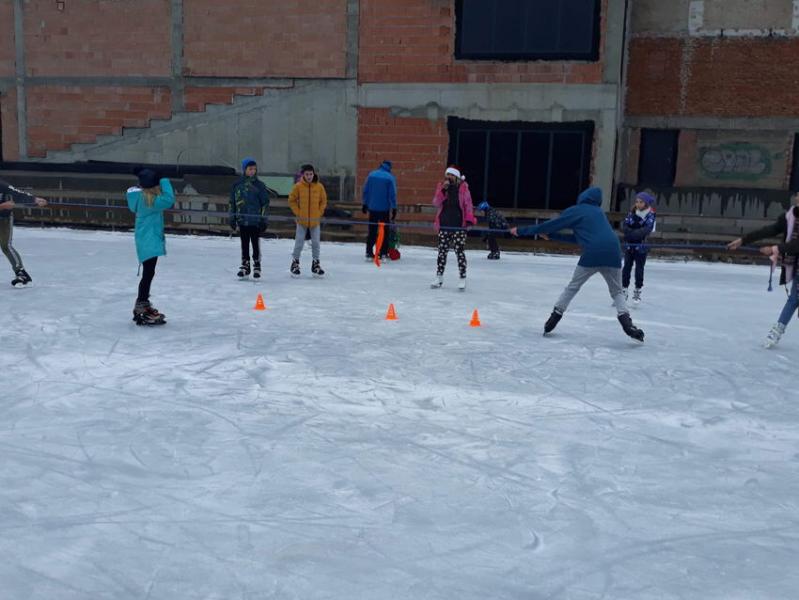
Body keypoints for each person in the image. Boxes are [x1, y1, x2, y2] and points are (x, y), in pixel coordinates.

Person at [510, 186, 645, 342]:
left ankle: (554, 317)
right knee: (617, 292)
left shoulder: (577, 210)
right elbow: (580, 238)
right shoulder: (599, 213)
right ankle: (628, 325)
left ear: (583, 197)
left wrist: (521, 231)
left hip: (592, 254)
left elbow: (550, 225)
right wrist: (552, 237)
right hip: (614, 252)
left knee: (573, 287)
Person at [727, 191, 799, 348]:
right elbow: (770, 230)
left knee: (794, 299)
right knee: (794, 298)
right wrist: (743, 240)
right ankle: (777, 331)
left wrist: (775, 249)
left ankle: (777, 330)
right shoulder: (790, 217)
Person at [126, 168, 175, 325]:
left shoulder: (140, 197)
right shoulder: (151, 201)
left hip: (146, 240)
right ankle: (141, 304)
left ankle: (143, 303)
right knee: (148, 274)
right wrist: (164, 179)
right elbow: (169, 199)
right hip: (149, 241)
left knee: (148, 273)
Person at [431, 166, 476, 290]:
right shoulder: (442, 187)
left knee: (459, 251)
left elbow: (468, 205)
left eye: (451, 175)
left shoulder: (463, 188)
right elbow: (436, 203)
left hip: (458, 226)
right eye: (447, 175)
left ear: (456, 177)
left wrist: (469, 220)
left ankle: (462, 277)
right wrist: (443, 191)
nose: (449, 177)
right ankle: (439, 277)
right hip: (444, 225)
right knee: (442, 252)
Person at [0, 180, 48, 286]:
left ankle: (21, 273)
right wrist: (2, 206)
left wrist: (34, 200)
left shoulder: (2, 185)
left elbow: (18, 194)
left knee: (6, 246)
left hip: (4, 218)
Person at [230, 157, 270, 279]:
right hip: (242, 219)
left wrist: (264, 219)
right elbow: (232, 202)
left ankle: (257, 264)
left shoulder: (260, 185)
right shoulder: (237, 185)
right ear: (244, 169)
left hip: (255, 220)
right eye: (250, 169)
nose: (252, 171)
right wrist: (232, 218)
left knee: (255, 243)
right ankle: (245, 264)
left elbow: (265, 203)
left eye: (254, 169)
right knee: (244, 243)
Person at [288, 163, 327, 278]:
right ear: (303, 175)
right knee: (299, 242)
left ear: (314, 174)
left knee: (316, 243)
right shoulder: (298, 186)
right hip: (302, 221)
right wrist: (298, 212)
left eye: (311, 174)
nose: (309, 176)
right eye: (307, 174)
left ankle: (316, 264)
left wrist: (319, 212)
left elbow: (323, 201)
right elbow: (291, 200)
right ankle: (295, 262)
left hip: (315, 221)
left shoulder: (319, 187)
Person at [621, 191, 657, 305]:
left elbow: (647, 229)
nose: (638, 204)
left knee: (639, 268)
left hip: (641, 246)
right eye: (637, 201)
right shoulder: (631, 212)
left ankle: (637, 290)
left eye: (641, 202)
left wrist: (634, 234)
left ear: (646, 203)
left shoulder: (650, 215)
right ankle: (624, 289)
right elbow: (625, 225)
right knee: (626, 267)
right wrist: (630, 234)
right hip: (630, 245)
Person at [362, 160, 397, 261]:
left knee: (372, 231)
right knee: (384, 231)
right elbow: (392, 195)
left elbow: (366, 191)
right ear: (389, 168)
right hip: (384, 210)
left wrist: (365, 204)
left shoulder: (371, 175)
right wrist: (394, 208)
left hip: (372, 208)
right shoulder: (390, 178)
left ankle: (369, 252)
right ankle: (383, 252)